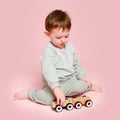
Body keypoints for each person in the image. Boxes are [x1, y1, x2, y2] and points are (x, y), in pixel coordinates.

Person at [14, 10, 102, 106]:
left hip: (68, 81)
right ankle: (30, 93)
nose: (63, 40)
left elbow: (76, 64)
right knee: (48, 99)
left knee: (82, 85)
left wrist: (83, 77)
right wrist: (56, 88)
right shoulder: (49, 51)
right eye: (59, 37)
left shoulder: (70, 47)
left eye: (66, 36)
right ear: (48, 34)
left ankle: (86, 87)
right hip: (52, 83)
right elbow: (49, 71)